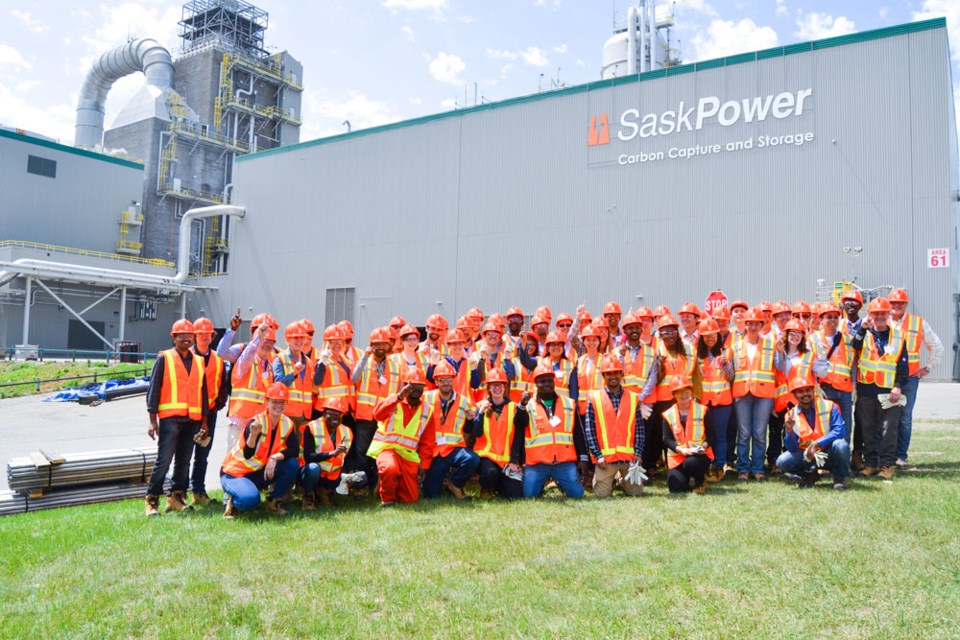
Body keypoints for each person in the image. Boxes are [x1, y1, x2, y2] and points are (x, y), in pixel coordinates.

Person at [144, 319, 209, 516]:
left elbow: (203, 393)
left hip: (192, 419)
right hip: (170, 419)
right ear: (174, 337)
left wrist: (204, 422)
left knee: (184, 461)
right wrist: (152, 420)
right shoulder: (164, 359)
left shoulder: (198, 361)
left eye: (190, 337)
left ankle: (176, 497)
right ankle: (152, 499)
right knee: (164, 460)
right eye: (183, 336)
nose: (187, 340)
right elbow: (153, 390)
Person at [220, 382, 300, 518]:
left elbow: (294, 450)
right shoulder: (256, 422)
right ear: (267, 402)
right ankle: (233, 502)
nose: (278, 406)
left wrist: (275, 457)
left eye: (282, 402)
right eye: (275, 401)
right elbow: (248, 453)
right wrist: (253, 435)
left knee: (292, 464)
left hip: (258, 472)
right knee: (250, 501)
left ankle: (273, 501)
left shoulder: (287, 423)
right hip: (235, 473)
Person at [851, 297, 908, 480]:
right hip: (866, 390)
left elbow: (903, 365)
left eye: (883, 313)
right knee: (867, 429)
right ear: (870, 315)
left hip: (889, 391)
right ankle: (871, 464)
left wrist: (898, 387)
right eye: (876, 313)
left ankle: (886, 465)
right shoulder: (864, 333)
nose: (879, 317)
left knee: (888, 430)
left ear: (889, 314)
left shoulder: (898, 336)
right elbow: (854, 345)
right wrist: (863, 328)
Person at [888, 288, 944, 467]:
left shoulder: (918, 323)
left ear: (906, 304)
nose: (896, 305)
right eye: (893, 302)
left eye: (901, 303)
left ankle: (900, 457)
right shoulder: (881, 320)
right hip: (885, 378)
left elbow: (936, 347)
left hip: (909, 378)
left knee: (904, 417)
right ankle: (884, 455)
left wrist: (926, 368)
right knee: (885, 417)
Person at [366, 368, 437, 506]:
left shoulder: (427, 410)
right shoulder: (394, 400)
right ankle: (387, 500)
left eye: (420, 386)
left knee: (411, 499)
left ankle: (386, 483)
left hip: (407, 455)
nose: (416, 389)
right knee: (390, 468)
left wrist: (424, 466)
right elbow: (377, 415)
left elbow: (427, 441)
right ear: (405, 385)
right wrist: (398, 397)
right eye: (412, 385)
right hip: (386, 449)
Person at [519, 362, 587, 499]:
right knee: (529, 496)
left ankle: (562, 483)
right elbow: (519, 431)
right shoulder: (527, 406)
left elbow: (578, 433)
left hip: (564, 462)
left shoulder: (569, 403)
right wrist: (520, 461)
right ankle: (541, 485)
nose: (547, 384)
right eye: (542, 381)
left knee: (577, 495)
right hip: (537, 463)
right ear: (536, 384)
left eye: (550, 380)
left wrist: (584, 457)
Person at [582, 354, 645, 498]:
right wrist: (598, 456)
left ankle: (620, 479)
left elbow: (640, 430)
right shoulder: (594, 398)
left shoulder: (633, 398)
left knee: (637, 493)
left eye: (616, 372)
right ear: (603, 375)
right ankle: (610, 478)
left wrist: (638, 454)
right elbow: (589, 431)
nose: (613, 376)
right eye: (609, 373)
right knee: (602, 496)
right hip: (606, 460)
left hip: (628, 459)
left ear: (622, 374)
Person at [643, 314, 696, 474]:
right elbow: (653, 378)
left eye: (672, 331)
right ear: (660, 334)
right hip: (662, 400)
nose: (669, 335)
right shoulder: (656, 351)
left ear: (677, 332)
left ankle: (680, 465)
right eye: (665, 332)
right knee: (659, 435)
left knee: (681, 434)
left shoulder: (688, 350)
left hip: (682, 400)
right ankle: (655, 465)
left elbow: (696, 375)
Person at [776, 376, 850, 490]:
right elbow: (792, 448)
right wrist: (789, 431)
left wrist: (817, 443)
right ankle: (810, 475)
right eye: (800, 392)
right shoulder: (791, 415)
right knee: (782, 461)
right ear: (794, 395)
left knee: (841, 445)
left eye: (808, 390)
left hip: (829, 452)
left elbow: (840, 430)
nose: (805, 394)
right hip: (807, 456)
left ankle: (839, 479)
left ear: (813, 390)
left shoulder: (829, 406)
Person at [350, 327, 401, 494]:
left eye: (383, 344)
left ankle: (376, 486)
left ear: (388, 345)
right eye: (376, 344)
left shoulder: (395, 366)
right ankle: (359, 487)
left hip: (385, 418)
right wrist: (365, 357)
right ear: (370, 345)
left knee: (379, 453)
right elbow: (354, 378)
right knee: (361, 452)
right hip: (365, 416)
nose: (380, 347)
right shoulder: (364, 361)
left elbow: (399, 391)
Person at [421, 361, 479, 499]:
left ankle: (455, 483)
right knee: (431, 494)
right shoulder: (426, 398)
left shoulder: (464, 401)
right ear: (436, 382)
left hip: (454, 450)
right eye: (442, 380)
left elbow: (467, 429)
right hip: (433, 451)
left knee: (473, 459)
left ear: (453, 380)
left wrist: (470, 420)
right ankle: (441, 482)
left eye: (449, 379)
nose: (446, 383)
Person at [732, 308, 777, 481]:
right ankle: (743, 468)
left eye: (756, 323)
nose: (752, 326)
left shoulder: (770, 345)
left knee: (759, 432)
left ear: (761, 325)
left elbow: (778, 368)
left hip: (764, 394)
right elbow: (730, 372)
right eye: (749, 323)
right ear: (745, 324)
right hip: (742, 394)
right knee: (744, 432)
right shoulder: (736, 346)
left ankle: (758, 469)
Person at [188, 317, 229, 505]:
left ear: (212, 336)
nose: (204, 337)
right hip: (188, 414)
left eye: (208, 334)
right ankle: (179, 492)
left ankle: (198, 491)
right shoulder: (186, 356)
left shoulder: (218, 360)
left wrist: (216, 405)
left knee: (202, 454)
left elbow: (222, 386)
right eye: (201, 334)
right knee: (184, 454)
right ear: (194, 336)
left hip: (210, 413)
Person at [470, 369, 527, 499]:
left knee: (516, 495)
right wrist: (480, 413)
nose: (497, 388)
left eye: (500, 385)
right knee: (491, 473)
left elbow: (519, 436)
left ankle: (498, 486)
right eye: (493, 385)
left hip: (507, 461)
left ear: (505, 387)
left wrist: (514, 461)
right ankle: (486, 489)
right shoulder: (481, 406)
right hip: (486, 457)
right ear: (488, 388)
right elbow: (477, 433)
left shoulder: (514, 407)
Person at [770, 319, 818, 473]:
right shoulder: (779, 351)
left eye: (799, 334)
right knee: (775, 432)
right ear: (786, 335)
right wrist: (779, 351)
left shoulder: (807, 355)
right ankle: (775, 463)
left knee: (794, 431)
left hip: (797, 400)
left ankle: (792, 463)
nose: (795, 337)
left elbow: (818, 372)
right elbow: (780, 369)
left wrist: (822, 358)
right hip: (780, 399)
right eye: (792, 333)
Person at [226, 323, 276, 450]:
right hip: (241, 419)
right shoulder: (247, 361)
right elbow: (247, 355)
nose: (267, 345)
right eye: (265, 341)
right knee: (234, 456)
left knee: (253, 459)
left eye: (271, 342)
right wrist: (258, 337)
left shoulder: (269, 367)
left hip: (258, 420)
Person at [696, 318, 734, 482]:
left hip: (723, 402)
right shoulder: (697, 355)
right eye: (706, 336)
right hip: (703, 402)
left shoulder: (726, 352)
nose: (710, 338)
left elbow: (731, 376)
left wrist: (727, 365)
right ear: (702, 337)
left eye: (713, 335)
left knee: (720, 435)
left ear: (718, 335)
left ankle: (719, 465)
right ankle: (706, 465)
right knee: (704, 435)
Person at [662, 375, 714, 494]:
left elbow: (712, 436)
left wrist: (703, 446)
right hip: (678, 457)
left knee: (690, 463)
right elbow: (666, 440)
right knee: (675, 487)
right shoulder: (668, 415)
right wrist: (680, 450)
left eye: (686, 391)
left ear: (691, 391)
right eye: (679, 392)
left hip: (699, 455)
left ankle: (700, 481)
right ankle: (688, 480)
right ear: (674, 394)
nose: (684, 395)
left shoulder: (703, 410)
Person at [811, 305, 855, 444]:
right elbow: (807, 364)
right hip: (824, 389)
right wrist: (815, 385)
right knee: (824, 427)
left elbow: (853, 365)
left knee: (846, 427)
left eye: (836, 317)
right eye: (829, 317)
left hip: (845, 390)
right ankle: (825, 462)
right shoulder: (812, 339)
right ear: (821, 320)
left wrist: (855, 386)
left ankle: (843, 462)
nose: (833, 320)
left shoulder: (848, 340)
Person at [299, 396, 352, 509]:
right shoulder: (312, 427)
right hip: (309, 472)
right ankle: (308, 497)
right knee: (314, 468)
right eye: (331, 413)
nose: (335, 416)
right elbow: (309, 457)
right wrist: (332, 453)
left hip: (332, 474)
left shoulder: (347, 431)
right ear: (323, 414)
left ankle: (325, 492)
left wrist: (350, 473)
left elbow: (349, 457)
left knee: (361, 479)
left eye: (339, 414)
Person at [273, 321, 314, 426]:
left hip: (305, 415)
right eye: (295, 337)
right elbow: (277, 385)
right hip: (287, 414)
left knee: (302, 443)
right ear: (287, 340)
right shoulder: (280, 359)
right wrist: (293, 374)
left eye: (301, 337)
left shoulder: (308, 362)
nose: (299, 341)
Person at [312, 324, 355, 420]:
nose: (337, 345)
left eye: (340, 341)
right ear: (326, 344)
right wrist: (322, 361)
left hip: (344, 408)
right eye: (333, 342)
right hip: (326, 409)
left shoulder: (346, 359)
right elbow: (317, 380)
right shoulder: (322, 360)